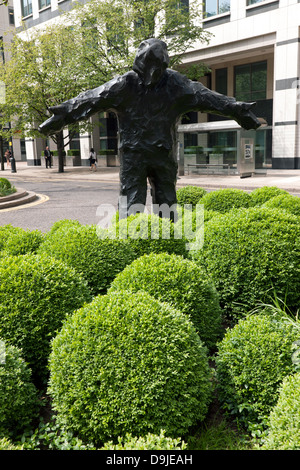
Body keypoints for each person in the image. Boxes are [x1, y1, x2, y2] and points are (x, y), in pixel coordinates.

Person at [38, 38, 260, 219]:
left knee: (167, 205)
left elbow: (212, 99)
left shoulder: (176, 84)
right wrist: (60, 117)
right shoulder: (126, 84)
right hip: (136, 156)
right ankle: (134, 250)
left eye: (155, 70)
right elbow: (89, 100)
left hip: (161, 155)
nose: (151, 76)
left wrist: (239, 110)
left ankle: (169, 249)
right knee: (132, 205)